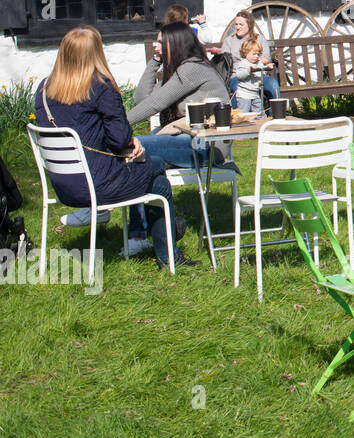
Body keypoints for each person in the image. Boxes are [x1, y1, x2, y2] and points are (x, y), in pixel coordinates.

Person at [33, 26, 193, 268]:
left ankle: (163, 239)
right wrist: (131, 142)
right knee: (156, 166)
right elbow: (118, 140)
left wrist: (126, 142)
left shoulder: (44, 89)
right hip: (97, 183)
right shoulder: (100, 86)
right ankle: (169, 251)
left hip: (64, 186)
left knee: (157, 182)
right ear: (97, 53)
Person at [130, 22, 232, 171]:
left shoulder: (193, 68)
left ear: (174, 44)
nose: (155, 47)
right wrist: (155, 61)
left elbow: (156, 103)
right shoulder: (180, 71)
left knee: (132, 144)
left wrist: (116, 126)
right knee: (131, 148)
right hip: (191, 141)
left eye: (160, 43)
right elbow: (142, 100)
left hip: (207, 147)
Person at [217, 10, 280, 102]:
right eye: (236, 24)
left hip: (258, 76)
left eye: (241, 25)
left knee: (273, 84)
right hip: (238, 77)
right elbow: (224, 61)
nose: (237, 27)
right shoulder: (229, 41)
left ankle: (274, 114)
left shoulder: (259, 39)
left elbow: (267, 59)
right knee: (237, 88)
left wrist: (254, 60)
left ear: (249, 25)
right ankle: (239, 114)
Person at [232, 39, 265, 115]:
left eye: (258, 54)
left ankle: (259, 123)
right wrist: (248, 70)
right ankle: (243, 124)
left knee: (258, 112)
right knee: (244, 112)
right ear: (245, 53)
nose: (256, 56)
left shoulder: (259, 63)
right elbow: (239, 76)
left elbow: (263, 73)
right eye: (254, 54)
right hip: (244, 93)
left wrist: (267, 68)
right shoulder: (243, 63)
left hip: (255, 93)